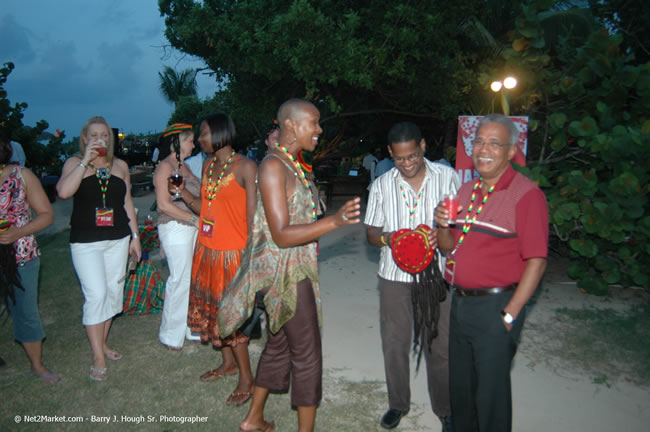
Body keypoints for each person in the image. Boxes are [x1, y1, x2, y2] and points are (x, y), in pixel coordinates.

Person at [218, 99, 361, 432]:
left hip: (296, 269)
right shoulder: (272, 167)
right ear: (293, 125)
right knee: (308, 354)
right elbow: (281, 235)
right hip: (286, 276)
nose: (320, 129)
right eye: (314, 122)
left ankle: (253, 419)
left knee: (279, 344)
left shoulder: (292, 163)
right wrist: (334, 222)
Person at [435, 114, 548, 432]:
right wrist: (443, 224)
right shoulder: (467, 189)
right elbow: (447, 248)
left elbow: (537, 261)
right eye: (479, 141)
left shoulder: (526, 195)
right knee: (462, 388)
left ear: (511, 151)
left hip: (495, 308)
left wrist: (510, 315)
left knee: (491, 396)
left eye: (494, 143)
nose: (483, 149)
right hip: (459, 303)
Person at [365, 121, 459, 430]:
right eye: (399, 158)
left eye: (412, 157)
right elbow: (371, 232)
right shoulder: (381, 184)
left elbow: (460, 226)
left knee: (439, 345)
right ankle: (398, 404)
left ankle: (444, 408)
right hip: (394, 276)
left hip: (436, 276)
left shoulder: (448, 177)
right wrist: (390, 239)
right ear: (390, 153)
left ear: (422, 147)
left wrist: (441, 231)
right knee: (395, 343)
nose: (407, 164)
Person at [173, 113, 258, 406]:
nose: (199, 139)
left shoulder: (246, 166)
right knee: (213, 313)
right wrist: (182, 192)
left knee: (233, 320)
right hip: (207, 250)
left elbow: (252, 218)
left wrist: (251, 260)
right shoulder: (209, 166)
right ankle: (227, 364)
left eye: (204, 133)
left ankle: (247, 379)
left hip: (233, 255)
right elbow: (204, 209)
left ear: (221, 133)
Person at [56, 116, 142, 382]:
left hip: (117, 238)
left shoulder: (120, 166)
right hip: (86, 241)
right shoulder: (74, 163)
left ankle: (102, 342)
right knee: (96, 295)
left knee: (113, 294)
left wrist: (135, 237)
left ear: (110, 138)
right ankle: (98, 356)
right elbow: (63, 192)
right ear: (84, 138)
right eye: (93, 135)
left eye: (103, 134)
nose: (98, 138)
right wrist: (85, 162)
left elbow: (127, 202)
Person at [0, 136, 59, 383]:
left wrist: (18, 232)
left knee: (25, 311)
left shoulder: (21, 175)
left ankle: (36, 365)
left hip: (21, 254)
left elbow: (46, 215)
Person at [153, 123, 200, 350]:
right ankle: (170, 334)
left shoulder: (186, 167)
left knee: (191, 278)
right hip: (175, 227)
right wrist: (192, 219)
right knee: (179, 279)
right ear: (178, 142)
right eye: (191, 140)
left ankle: (190, 327)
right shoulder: (165, 167)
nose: (194, 144)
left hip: (191, 228)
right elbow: (163, 204)